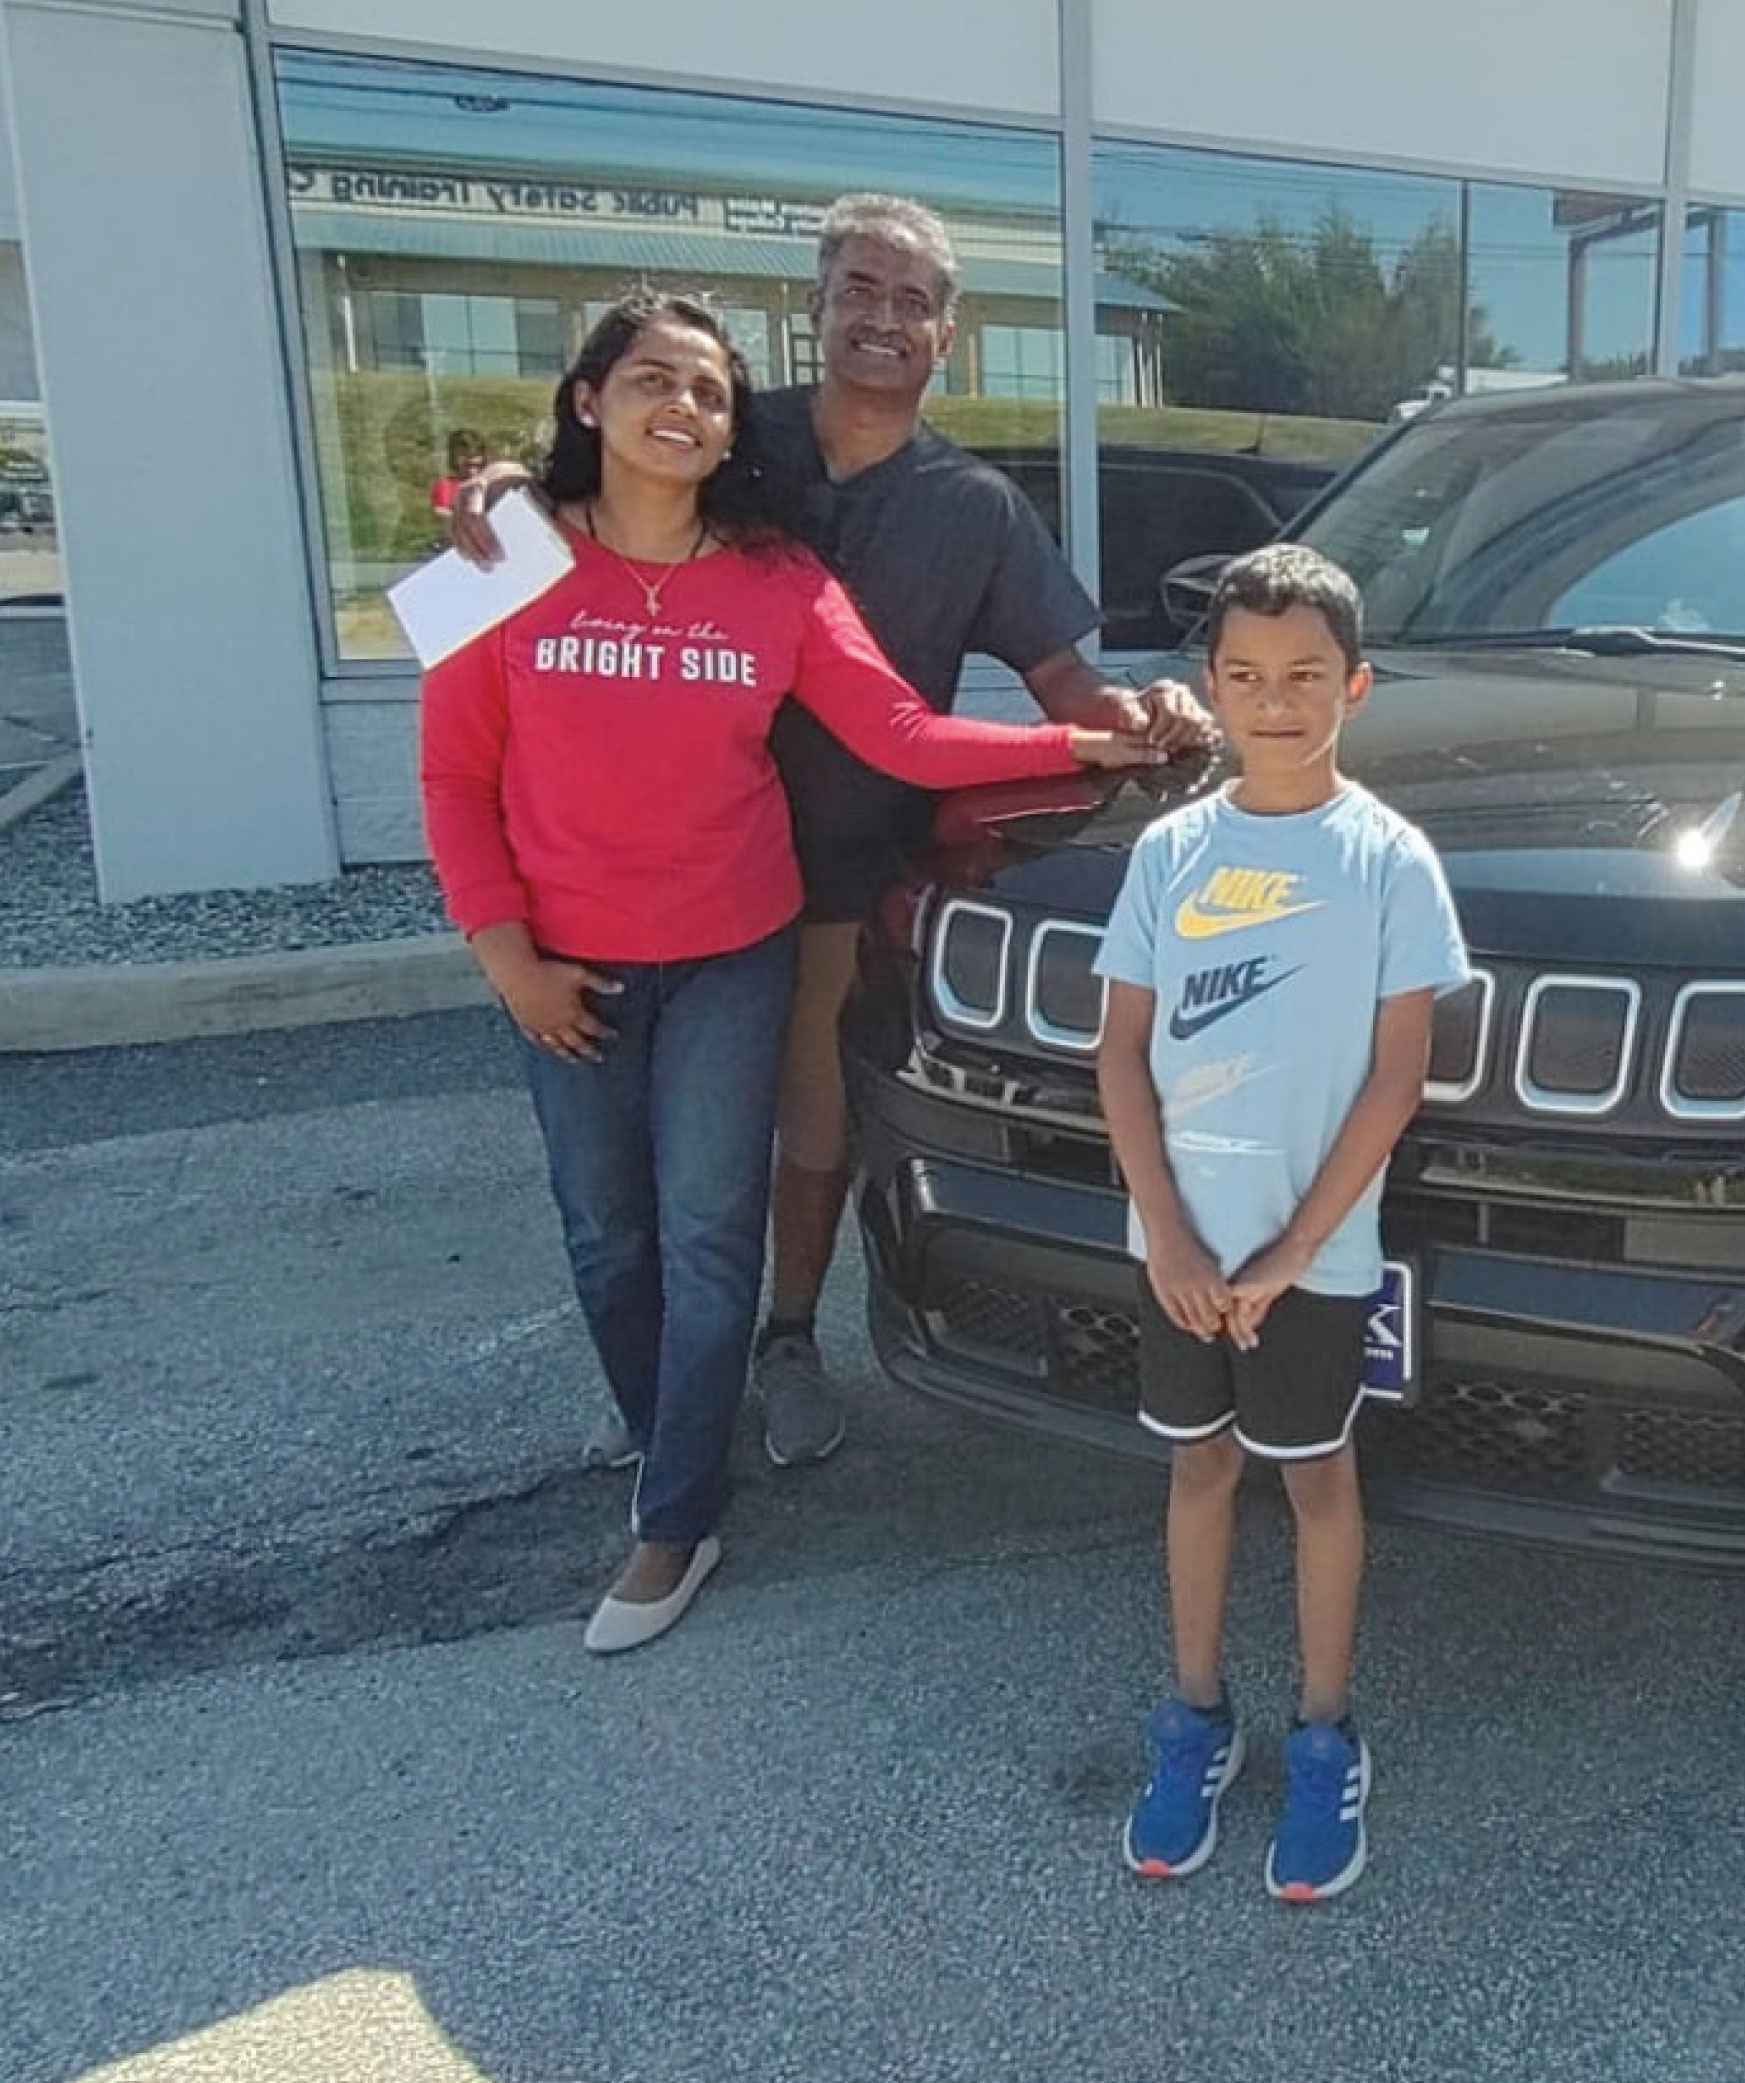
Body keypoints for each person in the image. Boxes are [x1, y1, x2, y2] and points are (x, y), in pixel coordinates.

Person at [419, 291, 1162, 1655]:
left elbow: (905, 732)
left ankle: (675, 1519)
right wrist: (507, 960)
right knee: (606, 1238)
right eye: (652, 381)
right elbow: (455, 784)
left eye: (706, 391)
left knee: (710, 1233)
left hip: (730, 950)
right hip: (562, 964)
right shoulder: (501, 557)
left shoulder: (777, 578)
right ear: (589, 402)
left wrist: (1083, 751)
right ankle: (676, 1449)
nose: (682, 409)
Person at [1094, 543, 1468, 1903]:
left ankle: (1323, 1735)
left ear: (1354, 688)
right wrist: (1175, 1237)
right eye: (1248, 676)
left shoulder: (1389, 859)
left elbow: (1397, 1075)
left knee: (1316, 1480)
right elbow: (1120, 1055)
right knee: (1199, 1473)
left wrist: (1298, 1248)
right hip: (1182, 1254)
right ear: (1212, 685)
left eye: (1307, 676)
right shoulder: (1171, 850)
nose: (1277, 701)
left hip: (1314, 1260)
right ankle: (1195, 1720)